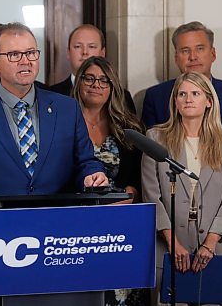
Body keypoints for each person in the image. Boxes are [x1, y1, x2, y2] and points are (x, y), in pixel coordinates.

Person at [141, 21, 222, 305]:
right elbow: (151, 185)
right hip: (170, 232)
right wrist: (172, 237)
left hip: (218, 226)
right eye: (185, 50)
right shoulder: (156, 106)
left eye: (199, 48)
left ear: (213, 53)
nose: (192, 56)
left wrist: (211, 197)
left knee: (217, 295)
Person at [0, 22, 108, 207]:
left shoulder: (67, 108)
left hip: (57, 224)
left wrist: (93, 175)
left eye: (31, 53)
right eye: (14, 55)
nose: (25, 61)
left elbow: (86, 162)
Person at [141, 72, 222, 306]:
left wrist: (211, 243)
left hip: (215, 247)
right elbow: (151, 195)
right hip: (168, 248)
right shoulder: (155, 138)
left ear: (208, 101)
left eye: (195, 93)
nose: (188, 99)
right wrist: (173, 243)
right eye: (182, 94)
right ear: (175, 101)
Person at [71, 56, 148, 305]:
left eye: (104, 80)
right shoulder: (60, 122)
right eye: (90, 78)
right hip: (76, 224)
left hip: (121, 223)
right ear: (79, 82)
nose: (96, 85)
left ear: (113, 87)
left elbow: (141, 176)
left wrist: (130, 194)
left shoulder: (129, 126)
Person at [50, 24, 136, 113]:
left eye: (91, 47)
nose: (85, 52)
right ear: (68, 52)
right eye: (78, 46)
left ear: (103, 53)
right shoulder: (50, 94)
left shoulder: (122, 97)